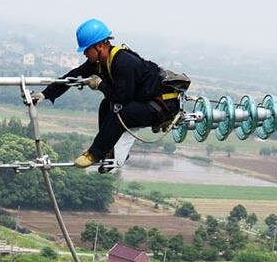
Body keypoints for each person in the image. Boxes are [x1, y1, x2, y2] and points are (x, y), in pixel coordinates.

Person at [34, 18, 184, 170]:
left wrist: (100, 85)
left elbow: (122, 99)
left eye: (87, 50)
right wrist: (45, 94)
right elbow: (74, 75)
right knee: (106, 105)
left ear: (99, 46)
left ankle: (95, 153)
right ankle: (111, 151)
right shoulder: (100, 63)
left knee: (122, 113)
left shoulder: (124, 62)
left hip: (161, 106)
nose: (85, 54)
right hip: (144, 101)